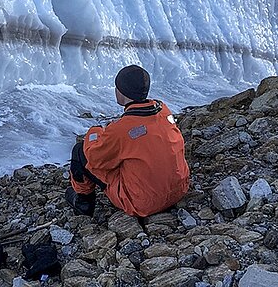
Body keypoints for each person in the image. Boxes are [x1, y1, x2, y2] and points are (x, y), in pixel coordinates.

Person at [65, 65, 190, 217]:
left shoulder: (121, 129)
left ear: (121, 91)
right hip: (179, 190)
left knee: (80, 151)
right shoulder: (163, 109)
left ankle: (83, 203)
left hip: (142, 203)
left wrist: (95, 131)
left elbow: (95, 158)